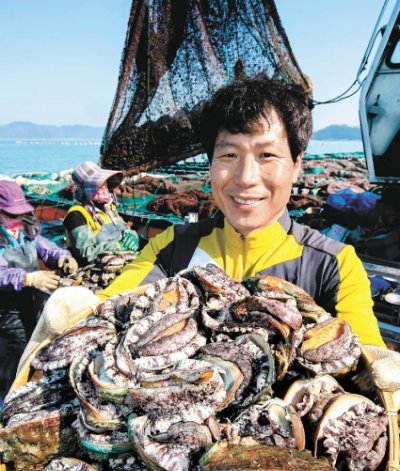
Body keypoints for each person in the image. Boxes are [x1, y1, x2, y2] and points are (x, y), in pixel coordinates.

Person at [97, 75, 383, 347]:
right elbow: (109, 306)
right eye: (229, 155)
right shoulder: (171, 248)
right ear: (210, 166)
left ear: (297, 165)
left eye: (266, 155)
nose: (246, 177)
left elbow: (367, 354)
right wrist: (74, 309)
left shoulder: (335, 266)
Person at [0, 180, 78, 401]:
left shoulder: (25, 232)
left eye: (19, 214)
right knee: (9, 369)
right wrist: (28, 278)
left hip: (33, 309)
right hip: (6, 317)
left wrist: (63, 257)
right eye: (9, 215)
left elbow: (47, 247)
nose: (16, 220)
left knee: (40, 357)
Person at [63, 161, 139, 266]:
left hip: (123, 259)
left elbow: (125, 229)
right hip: (97, 266)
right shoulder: (76, 215)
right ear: (86, 190)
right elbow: (86, 254)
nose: (104, 189)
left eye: (105, 185)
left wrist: (133, 236)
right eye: (99, 186)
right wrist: (114, 247)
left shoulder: (109, 208)